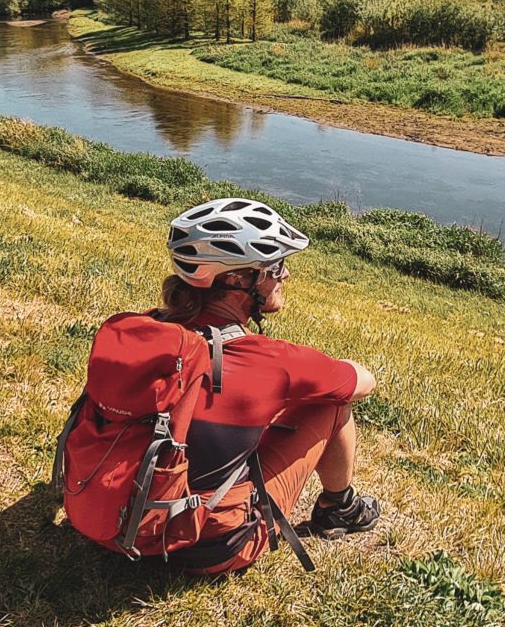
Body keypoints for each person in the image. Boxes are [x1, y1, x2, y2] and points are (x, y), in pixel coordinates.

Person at [156, 197, 380, 574]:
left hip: (118, 518)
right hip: (209, 546)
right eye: (275, 266)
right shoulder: (267, 359)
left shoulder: (147, 331)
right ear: (236, 280)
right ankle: (338, 509)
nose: (285, 275)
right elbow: (362, 381)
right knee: (332, 403)